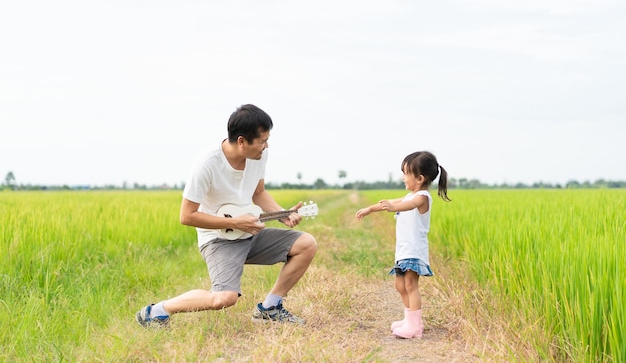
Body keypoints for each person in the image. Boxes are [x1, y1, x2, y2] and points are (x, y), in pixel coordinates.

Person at [136, 104, 317, 327]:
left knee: (306, 244)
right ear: (242, 141)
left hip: (250, 232)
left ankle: (270, 307)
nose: (266, 145)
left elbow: (258, 192)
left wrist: (281, 214)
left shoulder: (260, 156)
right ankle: (155, 311)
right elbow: (187, 216)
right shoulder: (206, 165)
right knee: (224, 298)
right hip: (218, 239)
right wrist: (234, 223)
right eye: (262, 140)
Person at [355, 151, 450, 339]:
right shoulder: (408, 196)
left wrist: (393, 207)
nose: (402, 177)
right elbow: (389, 203)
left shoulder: (422, 197)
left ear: (420, 178)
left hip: (414, 250)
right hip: (403, 250)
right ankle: (409, 319)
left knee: (410, 284)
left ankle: (415, 326)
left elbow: (409, 205)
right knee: (400, 284)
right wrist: (369, 209)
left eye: (406, 173)